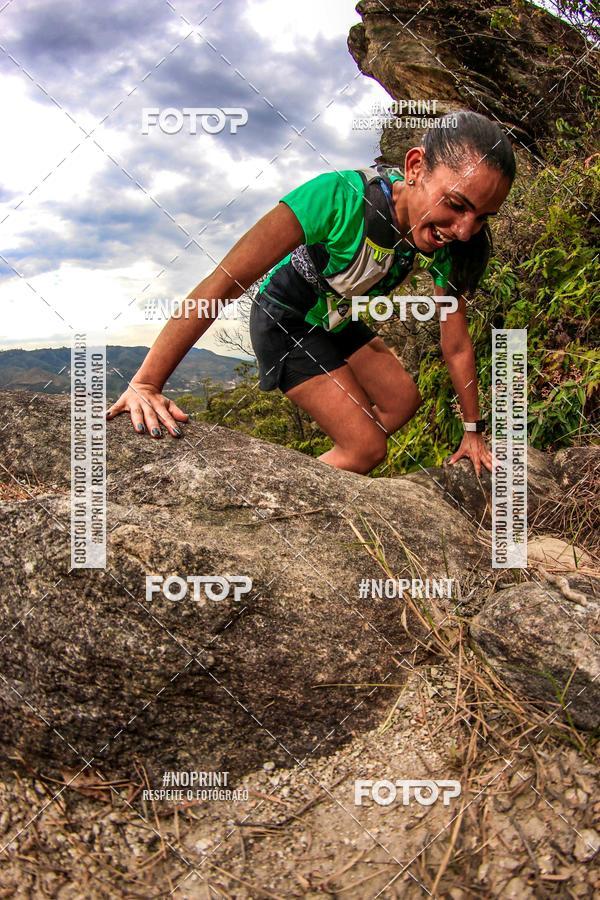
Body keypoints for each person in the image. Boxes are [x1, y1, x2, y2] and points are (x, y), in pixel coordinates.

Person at [106, 110, 515, 476]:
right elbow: (224, 282)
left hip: (332, 318)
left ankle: (326, 464)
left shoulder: (448, 243)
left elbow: (457, 344)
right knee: (368, 448)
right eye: (457, 205)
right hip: (284, 318)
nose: (464, 230)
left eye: (482, 218)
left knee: (403, 400)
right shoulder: (338, 198)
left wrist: (473, 432)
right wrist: (146, 383)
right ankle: (289, 491)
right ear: (415, 166)